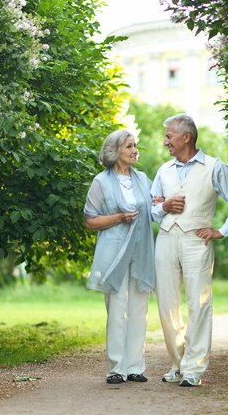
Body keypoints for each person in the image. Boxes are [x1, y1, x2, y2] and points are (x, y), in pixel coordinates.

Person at [151, 114, 228, 387]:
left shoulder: (214, 167)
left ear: (186, 137)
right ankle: (177, 363)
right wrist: (163, 207)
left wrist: (221, 230)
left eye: (169, 136)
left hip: (198, 240)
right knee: (166, 305)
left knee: (199, 303)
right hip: (166, 239)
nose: (165, 142)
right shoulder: (164, 171)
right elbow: (152, 210)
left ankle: (194, 369)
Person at [84, 129, 156, 385]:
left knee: (139, 309)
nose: (135, 150)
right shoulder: (101, 182)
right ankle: (116, 368)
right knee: (116, 310)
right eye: (129, 146)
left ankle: (135, 366)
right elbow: (90, 221)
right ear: (115, 152)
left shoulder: (144, 179)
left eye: (136, 145)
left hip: (141, 251)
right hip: (114, 252)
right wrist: (119, 218)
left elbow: (153, 211)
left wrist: (164, 205)